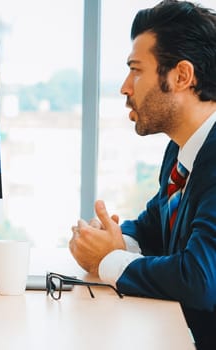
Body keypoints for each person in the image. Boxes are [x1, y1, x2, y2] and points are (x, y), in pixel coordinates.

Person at [69, 1, 216, 348]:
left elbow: (199, 279)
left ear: (181, 76)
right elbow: (154, 227)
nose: (125, 87)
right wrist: (110, 238)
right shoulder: (183, 151)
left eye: (136, 70)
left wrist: (107, 259)